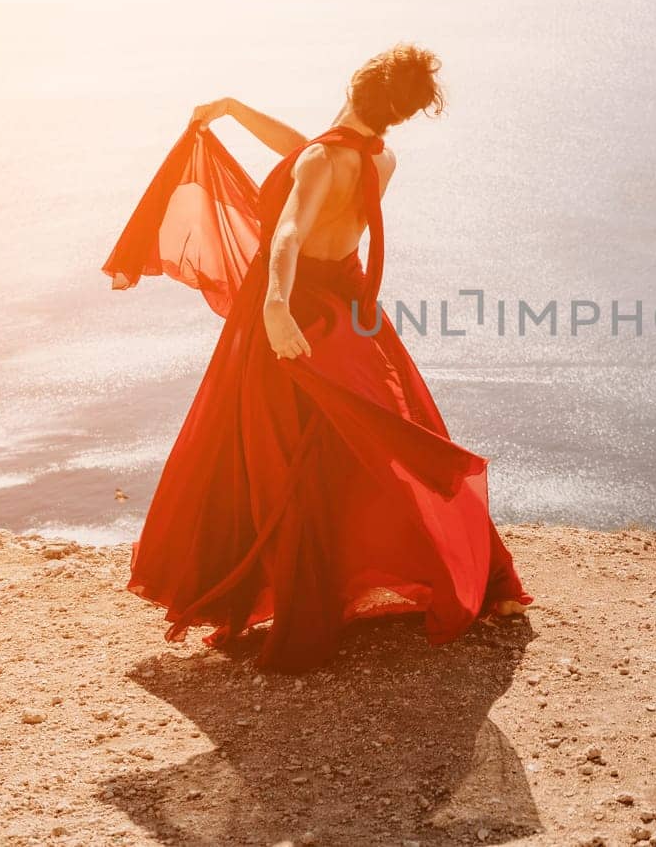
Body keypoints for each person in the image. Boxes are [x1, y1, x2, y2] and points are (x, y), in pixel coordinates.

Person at [102, 44, 530, 671]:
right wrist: (234, 109)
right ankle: (475, 576)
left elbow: (289, 231)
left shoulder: (323, 160)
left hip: (297, 304)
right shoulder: (377, 157)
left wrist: (275, 303)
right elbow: (312, 155)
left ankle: (302, 593)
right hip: (348, 306)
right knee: (377, 433)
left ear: (354, 86)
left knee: (271, 447)